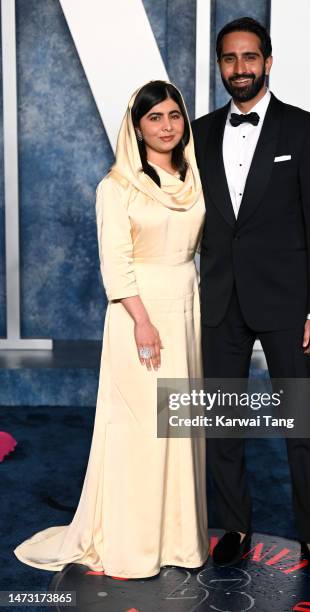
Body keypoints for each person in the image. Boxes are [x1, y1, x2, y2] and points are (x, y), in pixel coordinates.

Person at [14, 81, 209, 579]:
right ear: (136, 127)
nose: (166, 126)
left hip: (187, 308)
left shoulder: (194, 177)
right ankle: (132, 542)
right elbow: (115, 265)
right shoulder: (116, 186)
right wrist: (143, 322)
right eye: (154, 118)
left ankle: (176, 539)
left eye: (173, 115)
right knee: (141, 427)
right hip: (139, 316)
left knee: (178, 425)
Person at [192, 17, 310, 578]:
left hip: (289, 304)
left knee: (300, 424)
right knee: (221, 424)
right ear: (220, 66)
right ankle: (234, 526)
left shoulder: (305, 130)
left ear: (268, 62)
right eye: (229, 59)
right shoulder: (200, 132)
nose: (240, 69)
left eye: (249, 58)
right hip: (221, 301)